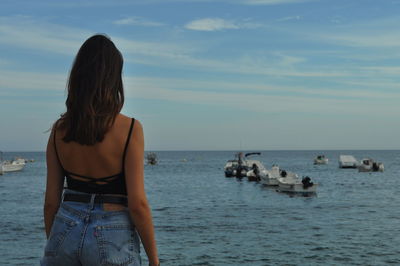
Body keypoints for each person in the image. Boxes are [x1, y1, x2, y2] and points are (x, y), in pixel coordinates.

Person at [41, 34, 159, 266]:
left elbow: (51, 203)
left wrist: (57, 243)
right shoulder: (130, 129)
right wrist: (154, 260)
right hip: (113, 232)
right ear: (114, 77)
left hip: (65, 228)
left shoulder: (59, 130)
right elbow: (138, 205)